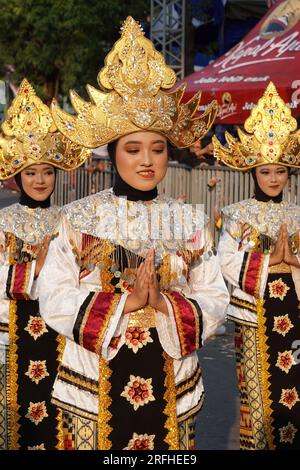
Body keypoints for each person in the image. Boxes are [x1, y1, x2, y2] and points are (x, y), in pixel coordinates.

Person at [38, 17, 229, 450]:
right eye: (133, 148)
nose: (147, 160)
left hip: (172, 380)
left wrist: (162, 302)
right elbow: (53, 297)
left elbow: (215, 297)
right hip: (92, 381)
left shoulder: (189, 223)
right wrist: (125, 302)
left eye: (158, 148)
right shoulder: (76, 218)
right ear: (112, 153)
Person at [0, 79, 90, 450]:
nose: (40, 180)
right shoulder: (3, 222)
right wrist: (34, 270)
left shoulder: (71, 222)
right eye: (32, 172)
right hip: (13, 338)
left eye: (47, 171)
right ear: (18, 176)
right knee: (15, 425)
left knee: (60, 424)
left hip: (61, 334)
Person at [214, 81, 300, 450]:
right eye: (266, 172)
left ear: (289, 174)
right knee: (256, 388)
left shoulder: (297, 215)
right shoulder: (236, 215)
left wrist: (293, 263)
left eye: (280, 171)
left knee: (294, 390)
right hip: (254, 312)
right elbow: (226, 260)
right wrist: (268, 262)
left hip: (293, 309)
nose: (273, 178)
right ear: (253, 173)